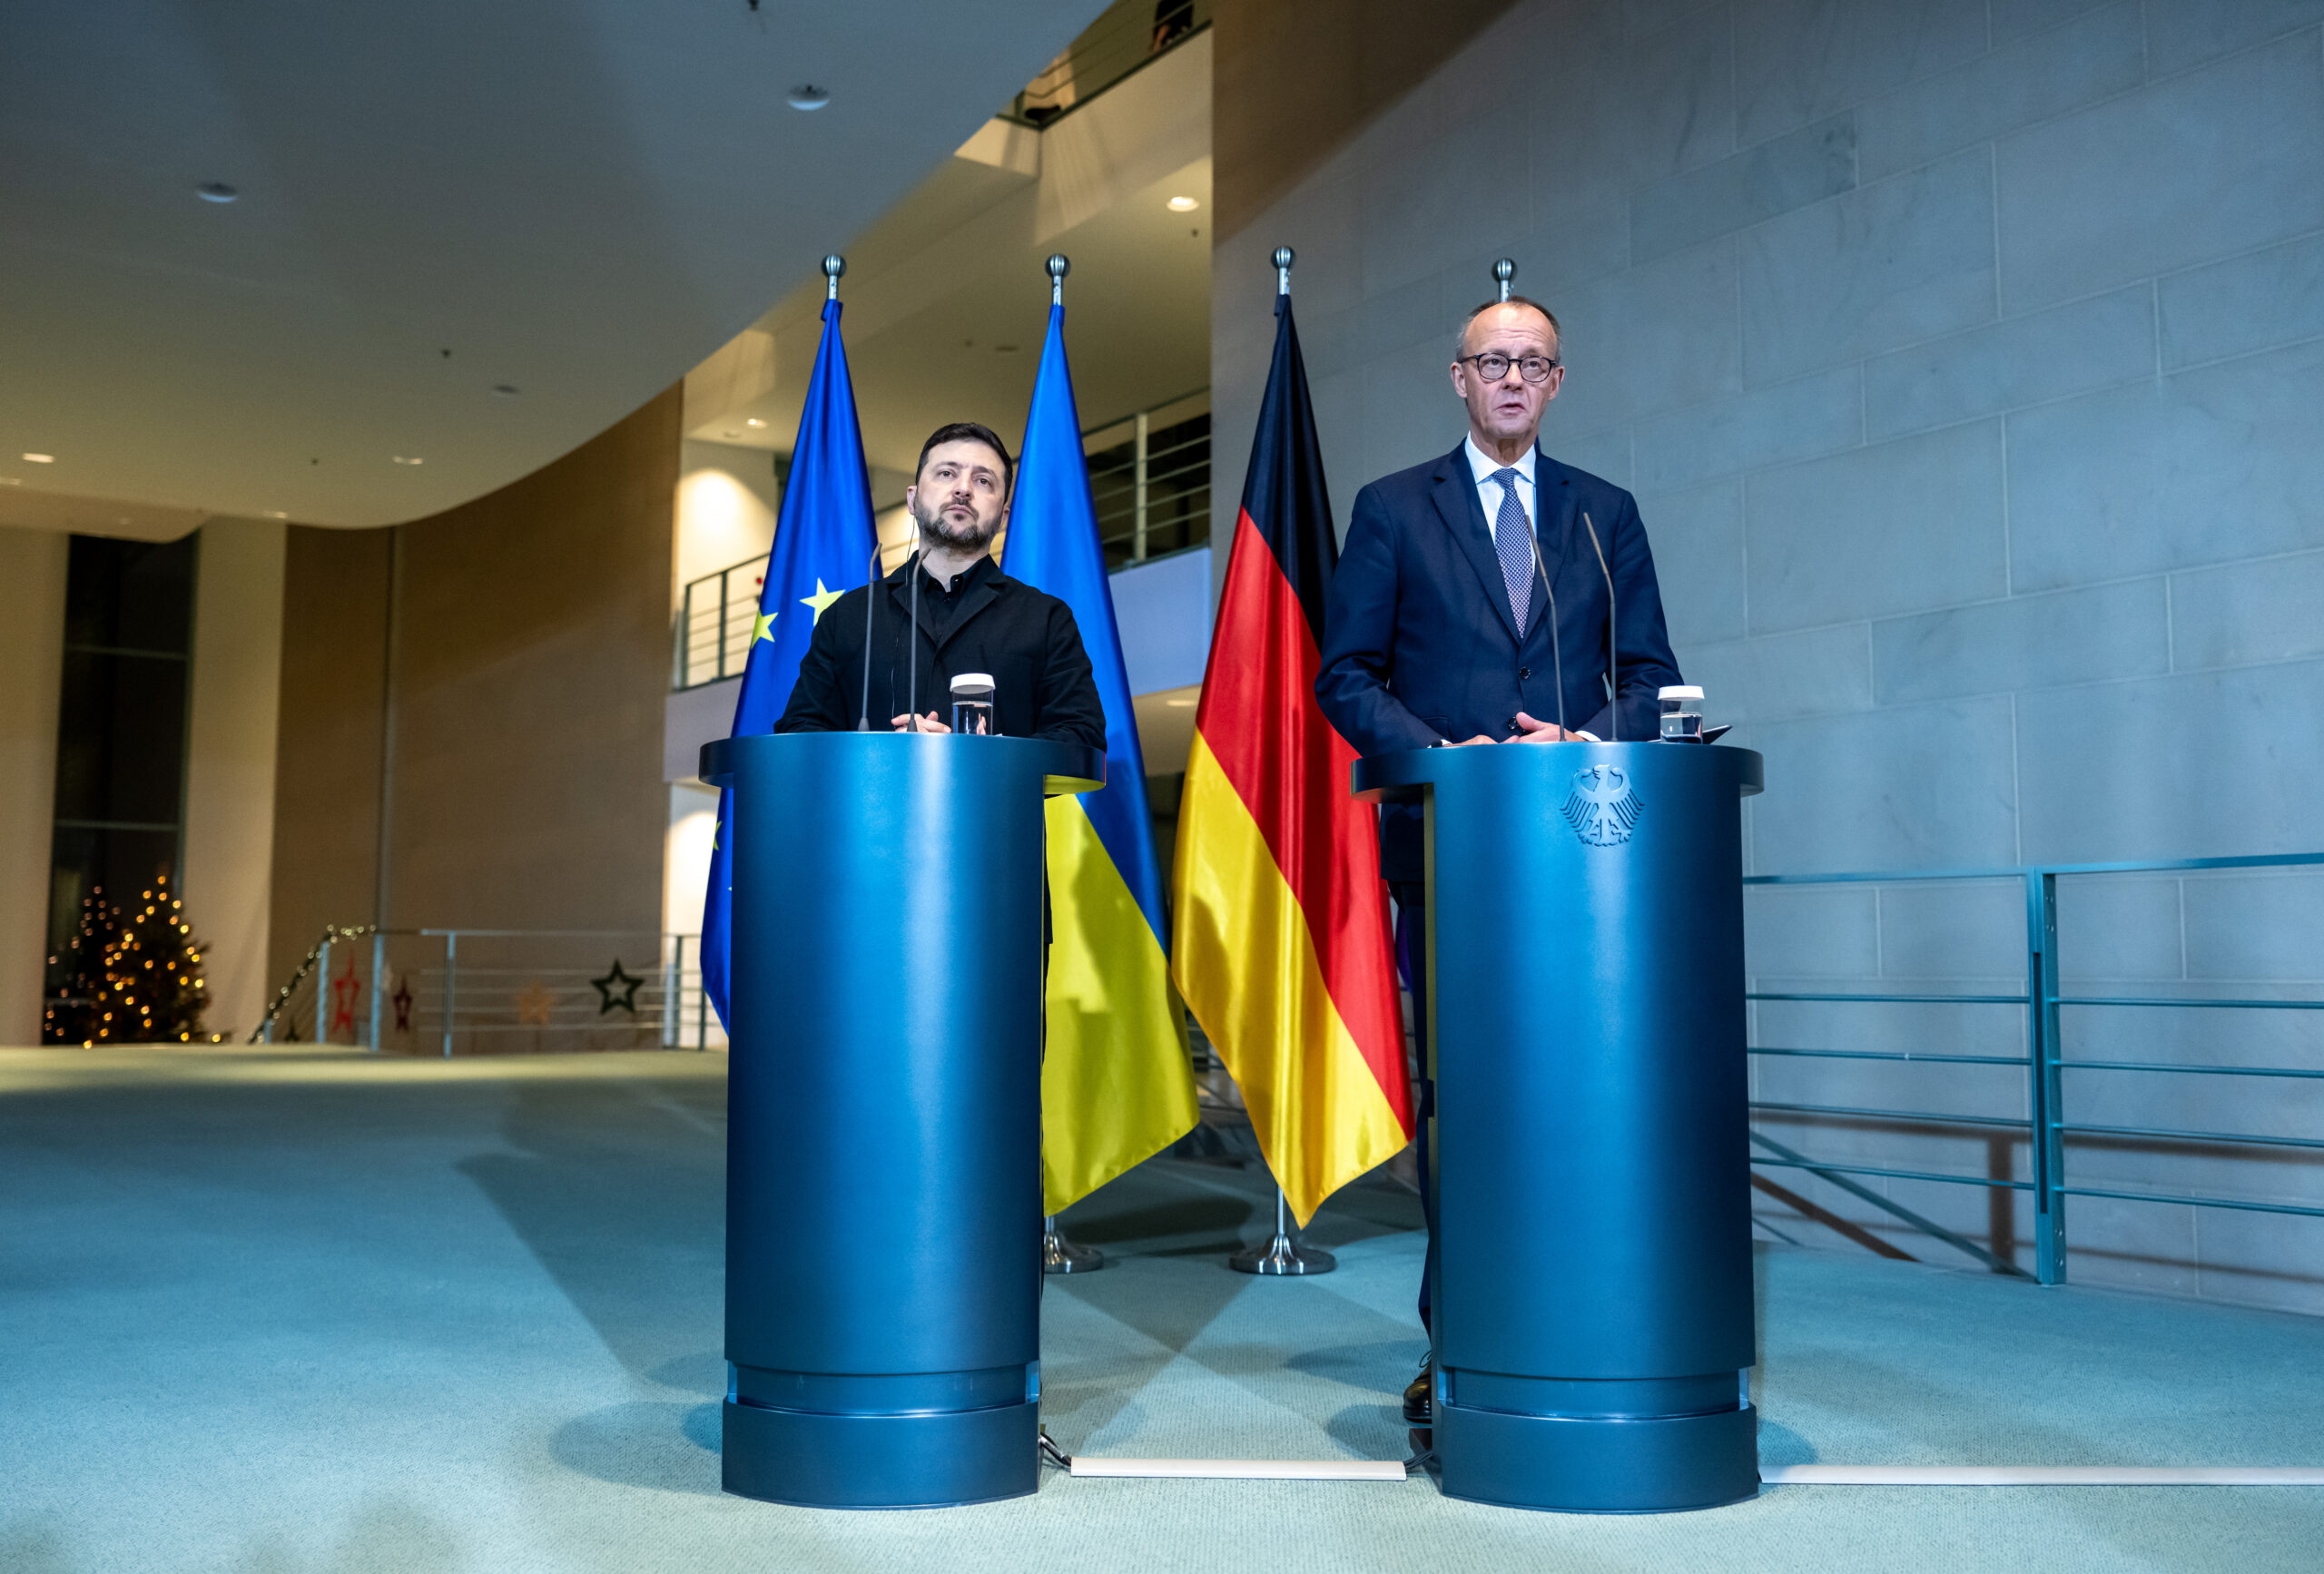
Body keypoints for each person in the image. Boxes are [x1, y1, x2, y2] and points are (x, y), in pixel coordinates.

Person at [1314, 297, 1684, 1430]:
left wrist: (1589, 741)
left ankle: (1585, 1327)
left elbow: (1648, 673)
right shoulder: (1390, 509)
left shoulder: (1602, 515)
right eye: (1493, 361)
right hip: (1453, 849)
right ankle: (1460, 1338)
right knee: (1470, 1103)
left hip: (1590, 860)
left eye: (1534, 363)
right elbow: (1346, 676)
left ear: (1558, 383)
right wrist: (1440, 753)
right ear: (1458, 378)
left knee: (1587, 1096)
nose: (1513, 378)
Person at [778, 421, 1106, 748]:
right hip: (871, 799)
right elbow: (798, 732)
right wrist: (883, 754)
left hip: (993, 800)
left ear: (1004, 516)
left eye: (983, 480)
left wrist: (982, 760)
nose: (963, 489)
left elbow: (1081, 737)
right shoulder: (847, 616)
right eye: (947, 473)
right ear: (913, 498)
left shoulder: (1046, 618)